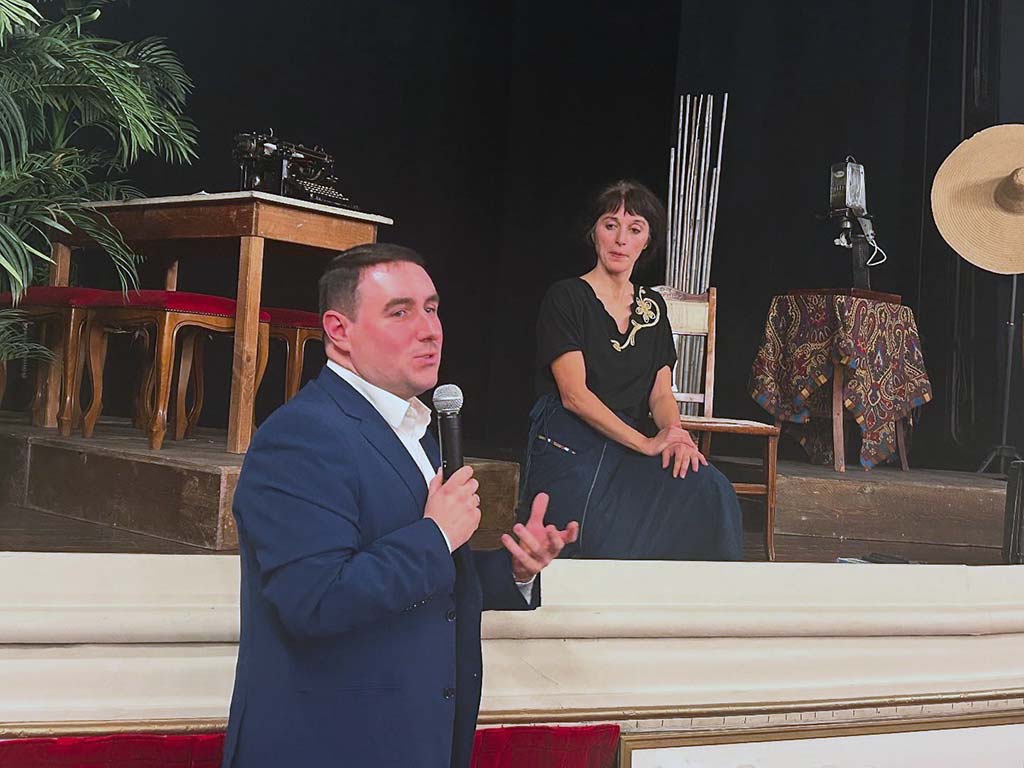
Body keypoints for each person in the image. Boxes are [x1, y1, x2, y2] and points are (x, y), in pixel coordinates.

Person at [222, 243, 578, 768]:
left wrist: (514, 571)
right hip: (330, 747)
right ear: (339, 330)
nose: (430, 330)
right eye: (400, 312)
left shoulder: (414, 429)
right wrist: (437, 534)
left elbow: (424, 580)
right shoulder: (300, 437)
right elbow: (315, 600)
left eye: (432, 309)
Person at [519, 179, 743, 561]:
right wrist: (646, 443)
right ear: (594, 233)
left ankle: (712, 597)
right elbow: (574, 395)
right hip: (572, 442)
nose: (621, 239)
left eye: (635, 229)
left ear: (647, 241)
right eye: (611, 225)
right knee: (606, 529)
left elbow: (661, 394)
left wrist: (675, 436)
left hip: (629, 445)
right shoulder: (566, 297)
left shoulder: (652, 307)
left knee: (711, 489)